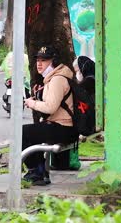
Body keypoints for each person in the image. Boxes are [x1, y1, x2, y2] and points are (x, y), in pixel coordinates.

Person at [21, 45, 79, 185]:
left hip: (64, 128)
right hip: (61, 126)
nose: (39, 64)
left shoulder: (57, 79)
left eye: (44, 60)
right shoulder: (52, 78)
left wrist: (32, 103)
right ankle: (40, 171)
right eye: (38, 60)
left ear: (53, 61)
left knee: (22, 132)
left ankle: (37, 171)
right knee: (31, 132)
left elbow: (51, 107)